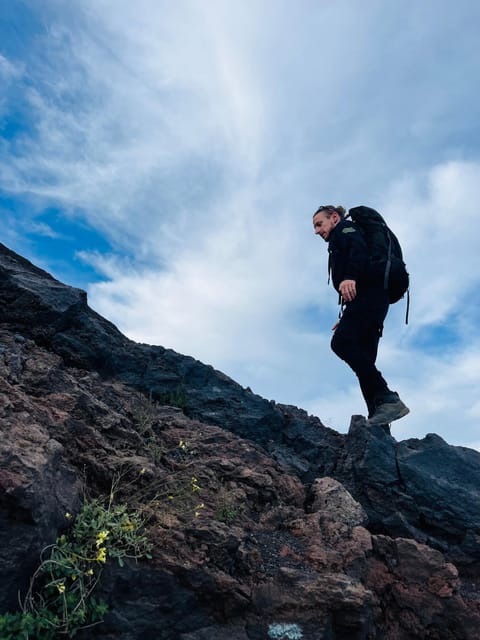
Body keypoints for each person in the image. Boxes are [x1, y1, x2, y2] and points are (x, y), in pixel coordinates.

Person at [312, 204, 409, 426]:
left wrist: (349, 276)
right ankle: (379, 422)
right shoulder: (350, 231)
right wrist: (347, 315)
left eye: (319, 224)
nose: (317, 231)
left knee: (342, 343)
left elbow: (358, 251)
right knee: (365, 359)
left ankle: (387, 399)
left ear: (334, 218)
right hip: (375, 299)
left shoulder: (345, 229)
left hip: (371, 296)